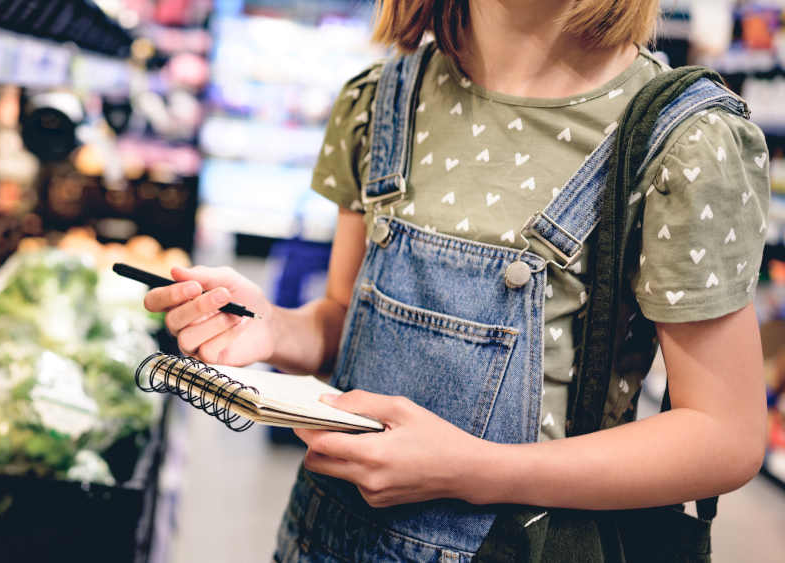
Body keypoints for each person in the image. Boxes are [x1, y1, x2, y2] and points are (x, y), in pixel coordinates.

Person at [144, 0, 771, 560]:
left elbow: (723, 435)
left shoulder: (684, 141)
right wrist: (274, 327)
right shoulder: (380, 100)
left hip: (523, 541)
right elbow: (347, 317)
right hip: (326, 537)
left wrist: (477, 470)